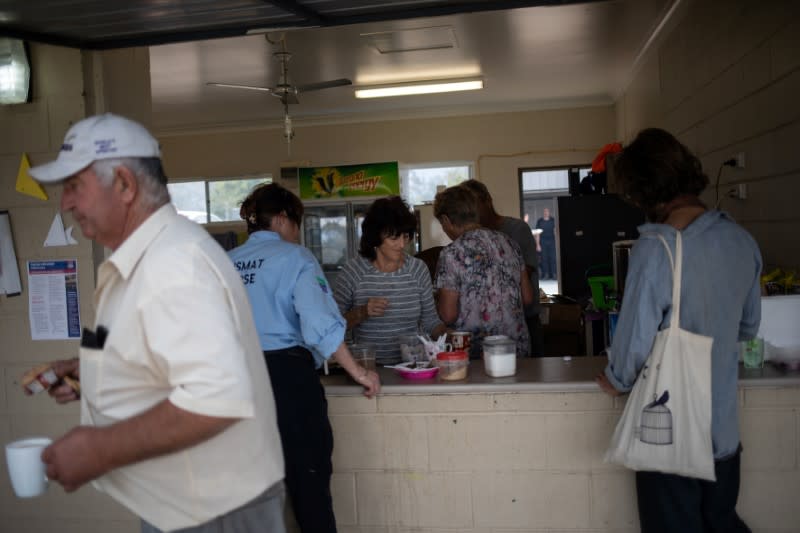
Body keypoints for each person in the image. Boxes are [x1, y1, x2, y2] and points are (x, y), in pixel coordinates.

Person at [26, 113, 286, 533]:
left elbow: (215, 397)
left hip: (213, 509)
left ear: (125, 185)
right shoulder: (150, 257)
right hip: (191, 503)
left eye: (74, 186)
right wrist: (96, 372)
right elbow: (165, 356)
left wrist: (99, 449)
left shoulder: (173, 264)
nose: (65, 204)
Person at [595, 128, 761, 533]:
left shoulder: (657, 248)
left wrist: (616, 380)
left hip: (670, 441)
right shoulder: (742, 241)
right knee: (720, 523)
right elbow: (748, 327)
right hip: (722, 437)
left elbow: (633, 341)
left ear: (644, 192)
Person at [229, 183, 380, 533]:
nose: (297, 232)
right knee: (309, 492)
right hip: (288, 383)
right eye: (297, 223)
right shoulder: (295, 257)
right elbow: (320, 325)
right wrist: (359, 372)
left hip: (236, 386)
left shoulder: (224, 263)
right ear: (282, 219)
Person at [334, 196, 447, 365]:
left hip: (414, 366)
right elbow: (331, 326)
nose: (402, 244)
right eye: (394, 238)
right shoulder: (353, 272)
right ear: (375, 237)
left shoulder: (417, 269)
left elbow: (430, 321)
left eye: (406, 237)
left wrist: (451, 335)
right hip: (370, 368)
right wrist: (362, 312)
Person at [433, 185, 533, 359]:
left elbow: (448, 315)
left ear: (446, 220)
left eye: (442, 224)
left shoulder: (451, 253)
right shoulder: (510, 243)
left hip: (477, 354)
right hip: (516, 349)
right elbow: (528, 298)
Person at [461, 179, 543, 357]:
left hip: (524, 320)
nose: (472, 212)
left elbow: (522, 276)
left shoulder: (517, 230)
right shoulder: (471, 239)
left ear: (487, 201)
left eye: (474, 205)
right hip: (489, 326)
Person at [535, 207, 557, 280]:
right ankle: (546, 275)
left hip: (552, 241)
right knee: (544, 259)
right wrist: (538, 245)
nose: (546, 213)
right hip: (543, 242)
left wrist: (557, 243)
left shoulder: (553, 220)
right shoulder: (540, 221)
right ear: (543, 213)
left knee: (553, 258)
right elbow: (537, 233)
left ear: (549, 212)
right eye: (544, 211)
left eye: (547, 211)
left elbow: (555, 232)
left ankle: (554, 274)